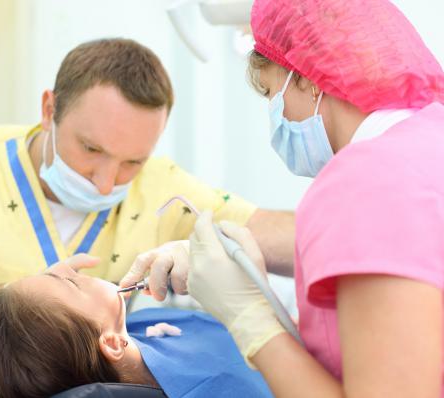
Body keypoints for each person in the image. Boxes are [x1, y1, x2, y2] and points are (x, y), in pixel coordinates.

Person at [0, 38, 296, 396]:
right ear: (49, 109)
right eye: (91, 148)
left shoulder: (160, 185)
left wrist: (222, 248)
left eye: (132, 162)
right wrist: (24, 303)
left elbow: (282, 235)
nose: (106, 185)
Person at [124, 0, 444, 397]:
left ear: (308, 79)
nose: (277, 115)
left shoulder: (365, 179)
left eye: (273, 94)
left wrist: (251, 321)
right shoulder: (429, 138)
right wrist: (237, 261)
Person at [0, 257, 273, 398]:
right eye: (69, 282)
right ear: (111, 344)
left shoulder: (125, 334)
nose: (65, 266)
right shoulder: (218, 386)